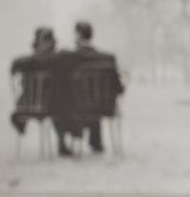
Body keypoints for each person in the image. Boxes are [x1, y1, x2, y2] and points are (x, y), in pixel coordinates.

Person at [63, 20, 123, 154]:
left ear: (78, 35)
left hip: (80, 107)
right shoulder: (108, 58)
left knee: (72, 95)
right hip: (106, 107)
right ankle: (95, 141)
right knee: (94, 97)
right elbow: (118, 88)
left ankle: (67, 142)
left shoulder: (71, 58)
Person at [8, 26, 58, 136]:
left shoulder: (24, 62)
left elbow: (15, 67)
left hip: (28, 105)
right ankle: (62, 143)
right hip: (52, 105)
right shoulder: (56, 60)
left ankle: (21, 126)